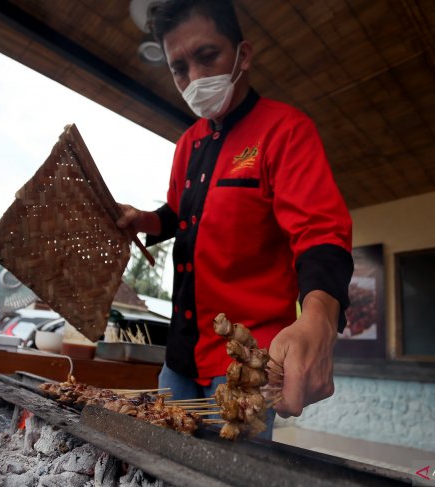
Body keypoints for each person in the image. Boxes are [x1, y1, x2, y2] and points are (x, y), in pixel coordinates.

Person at [117, 0, 353, 436]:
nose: (195, 78)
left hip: (244, 363)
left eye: (207, 57)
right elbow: (180, 214)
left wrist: (319, 316)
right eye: (180, 68)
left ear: (243, 55)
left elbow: (319, 231)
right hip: (180, 357)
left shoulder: (285, 131)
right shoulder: (187, 143)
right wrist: (144, 220)